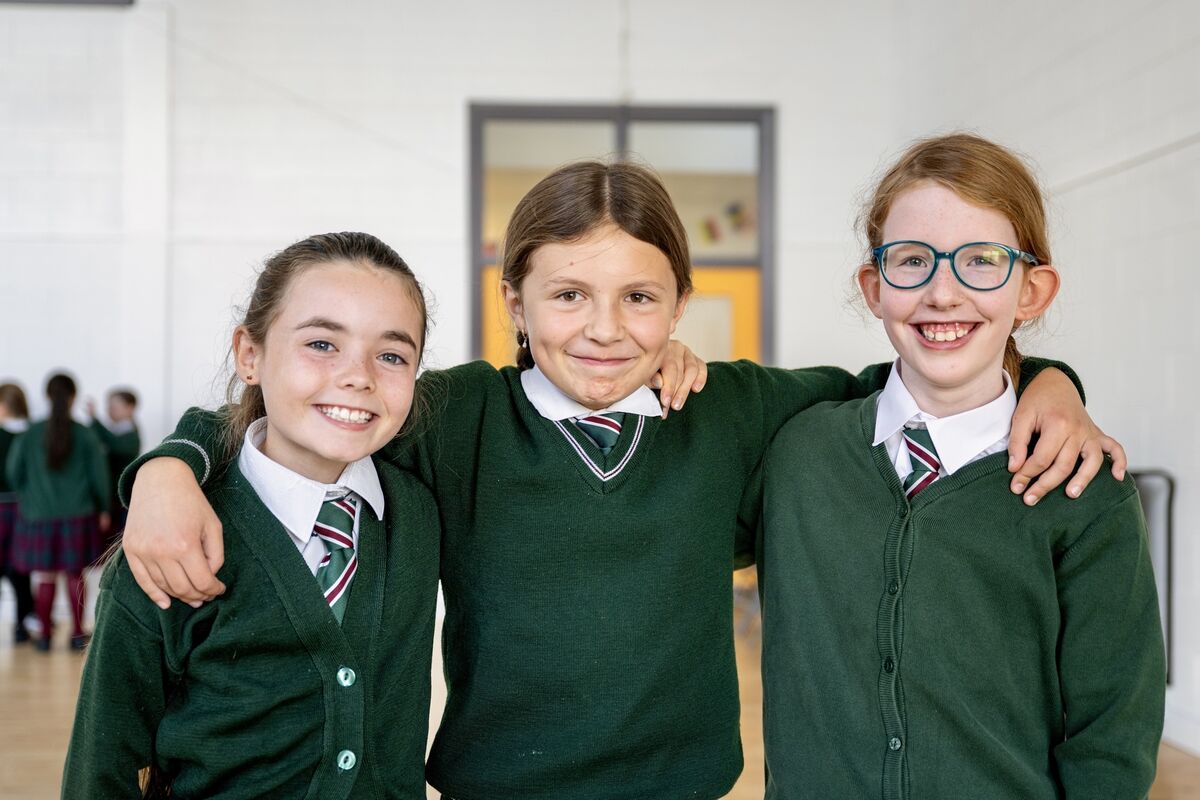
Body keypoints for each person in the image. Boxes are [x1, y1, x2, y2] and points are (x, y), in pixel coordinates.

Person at [117, 162, 1118, 799]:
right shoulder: (456, 416)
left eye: (639, 296)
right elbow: (320, 406)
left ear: (680, 302)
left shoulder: (732, 409)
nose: (604, 328)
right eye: (566, 295)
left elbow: (905, 373)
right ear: (514, 302)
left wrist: (1054, 380)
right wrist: (172, 459)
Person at [752, 133, 1165, 798]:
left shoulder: (1084, 489)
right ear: (874, 286)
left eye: (981, 261)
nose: (943, 294)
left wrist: (1053, 381)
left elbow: (1113, 731)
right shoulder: (796, 455)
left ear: (1032, 291)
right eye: (911, 261)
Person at [61, 232, 442, 798]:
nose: (358, 375)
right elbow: (102, 768)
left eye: (391, 355)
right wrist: (166, 468)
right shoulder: (168, 545)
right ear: (250, 355)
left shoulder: (421, 506)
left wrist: (168, 460)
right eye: (321, 344)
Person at [5, 373, 109, 651]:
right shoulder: (85, 434)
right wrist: (104, 507)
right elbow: (99, 477)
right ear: (73, 396)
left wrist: (31, 497)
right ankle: (77, 636)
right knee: (75, 575)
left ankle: (45, 638)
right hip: (78, 516)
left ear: (47, 396)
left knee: (46, 576)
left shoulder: (29, 434)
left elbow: (13, 473)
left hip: (38, 517)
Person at [0, 382, 35, 642]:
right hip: (28, 508)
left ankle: (23, 621)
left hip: (5, 507)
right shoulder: (35, 433)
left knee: (10, 566)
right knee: (20, 567)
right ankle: (23, 623)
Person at [87, 387, 141, 549]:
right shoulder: (118, 430)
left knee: (119, 538)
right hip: (112, 494)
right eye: (108, 406)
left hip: (121, 495)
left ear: (129, 408)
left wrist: (94, 420)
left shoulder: (130, 432)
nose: (110, 411)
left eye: (115, 407)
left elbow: (113, 442)